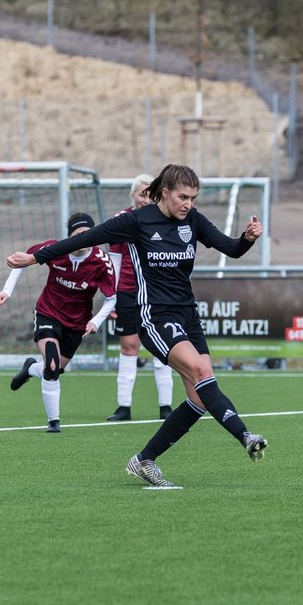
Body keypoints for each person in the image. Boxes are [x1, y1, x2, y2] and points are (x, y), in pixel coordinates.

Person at [7, 164, 265, 489]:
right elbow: (85, 238)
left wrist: (248, 238)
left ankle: (145, 460)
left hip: (187, 314)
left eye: (193, 198)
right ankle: (246, 436)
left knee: (200, 397)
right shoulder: (137, 221)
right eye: (182, 197)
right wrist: (35, 258)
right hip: (152, 314)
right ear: (166, 192)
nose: (188, 203)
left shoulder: (194, 221)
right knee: (202, 372)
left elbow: (233, 249)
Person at [0, 212, 117, 433]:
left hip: (77, 323)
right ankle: (54, 423)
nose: (84, 238)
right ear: (70, 236)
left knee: (53, 369)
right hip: (48, 313)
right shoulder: (56, 249)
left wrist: (96, 321)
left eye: (88, 234)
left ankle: (31, 369)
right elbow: (21, 262)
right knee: (51, 367)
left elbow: (111, 298)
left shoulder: (101, 262)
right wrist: (7, 290)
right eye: (79, 234)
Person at [105, 173, 175, 422]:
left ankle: (165, 406)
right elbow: (113, 262)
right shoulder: (121, 221)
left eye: (149, 193)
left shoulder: (163, 220)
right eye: (140, 193)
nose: (145, 198)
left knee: (161, 348)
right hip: (127, 292)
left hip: (156, 292)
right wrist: (111, 296)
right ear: (132, 195)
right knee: (129, 346)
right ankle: (124, 406)